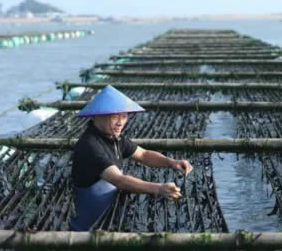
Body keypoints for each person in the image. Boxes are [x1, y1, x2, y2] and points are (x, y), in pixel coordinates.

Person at [70, 85, 193, 231]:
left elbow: (144, 154)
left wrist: (172, 162)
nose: (120, 122)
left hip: (108, 218)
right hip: (87, 230)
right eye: (115, 116)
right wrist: (159, 188)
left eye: (124, 116)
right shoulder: (90, 146)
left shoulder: (115, 138)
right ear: (97, 115)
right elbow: (119, 180)